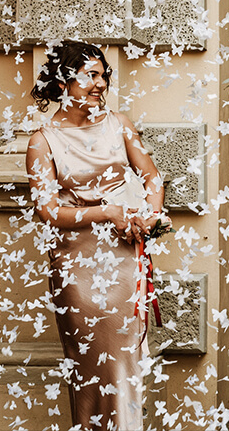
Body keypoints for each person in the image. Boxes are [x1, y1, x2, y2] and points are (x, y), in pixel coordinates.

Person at [26, 41, 165, 431]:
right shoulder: (43, 141)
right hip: (77, 268)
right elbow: (48, 210)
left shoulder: (119, 124)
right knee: (89, 365)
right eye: (91, 75)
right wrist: (104, 212)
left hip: (123, 260)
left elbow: (152, 177)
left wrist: (150, 215)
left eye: (103, 75)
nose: (101, 83)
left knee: (126, 362)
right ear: (64, 81)